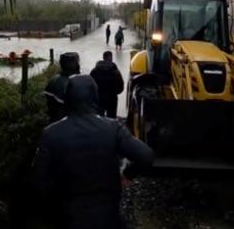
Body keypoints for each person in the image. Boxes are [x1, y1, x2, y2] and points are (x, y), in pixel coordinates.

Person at [33, 75, 155, 229]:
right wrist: (127, 175)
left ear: (67, 99)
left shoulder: (50, 134)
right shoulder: (113, 128)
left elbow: (39, 183)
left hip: (68, 218)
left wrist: (56, 206)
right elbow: (147, 155)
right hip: (107, 217)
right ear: (94, 97)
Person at [44, 52, 80, 123]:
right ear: (75, 65)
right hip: (66, 123)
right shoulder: (72, 83)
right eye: (77, 63)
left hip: (52, 121)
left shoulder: (53, 79)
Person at [89, 51, 125, 118]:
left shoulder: (94, 70)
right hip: (112, 99)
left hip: (99, 99)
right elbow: (120, 87)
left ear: (103, 58)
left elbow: (90, 85)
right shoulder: (115, 71)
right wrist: (114, 92)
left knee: (99, 118)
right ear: (111, 58)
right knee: (111, 118)